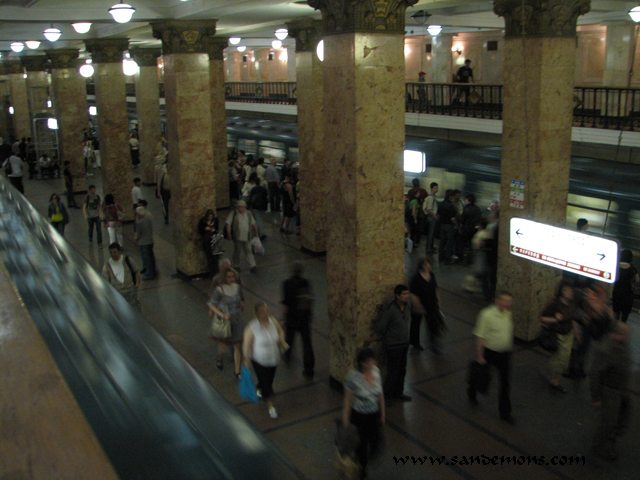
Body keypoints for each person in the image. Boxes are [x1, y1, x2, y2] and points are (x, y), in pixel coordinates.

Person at [467, 291, 515, 424]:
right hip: (489, 352)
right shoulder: (486, 314)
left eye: (509, 301)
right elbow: (480, 335)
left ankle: (505, 413)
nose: (506, 304)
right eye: (504, 300)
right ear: (497, 301)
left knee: (505, 383)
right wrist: (480, 356)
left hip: (504, 354)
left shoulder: (508, 313)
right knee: (482, 376)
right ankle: (472, 390)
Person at [589, 322, 632, 461]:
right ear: (615, 334)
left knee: (622, 416)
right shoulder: (605, 350)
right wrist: (596, 397)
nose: (627, 337)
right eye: (625, 334)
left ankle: (611, 437)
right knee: (608, 421)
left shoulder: (622, 344)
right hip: (609, 390)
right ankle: (600, 446)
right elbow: (594, 373)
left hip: (620, 389)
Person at [342, 348, 385, 478]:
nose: (371, 364)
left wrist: (383, 413)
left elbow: (380, 394)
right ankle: (362, 468)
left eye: (372, 361)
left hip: (373, 415)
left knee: (376, 441)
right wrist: (345, 419)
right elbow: (348, 400)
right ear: (361, 363)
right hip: (359, 417)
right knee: (361, 444)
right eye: (368, 362)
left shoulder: (376, 372)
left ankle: (365, 458)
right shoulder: (353, 378)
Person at [243, 303, 286, 419]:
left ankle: (260, 388)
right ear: (257, 314)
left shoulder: (273, 322)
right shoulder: (252, 327)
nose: (265, 314)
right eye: (262, 312)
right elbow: (246, 345)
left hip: (273, 359)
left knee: (268, 381)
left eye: (266, 311)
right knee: (266, 384)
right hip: (259, 361)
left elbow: (280, 332)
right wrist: (246, 359)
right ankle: (270, 406)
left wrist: (281, 339)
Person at [540, 282, 580, 393]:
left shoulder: (572, 304)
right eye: (567, 290)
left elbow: (572, 319)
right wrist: (555, 319)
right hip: (558, 335)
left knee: (563, 358)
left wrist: (576, 332)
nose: (569, 293)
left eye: (571, 291)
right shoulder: (555, 304)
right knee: (562, 359)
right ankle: (555, 380)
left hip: (568, 334)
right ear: (561, 291)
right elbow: (542, 318)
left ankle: (551, 373)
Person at [375, 284, 412, 402]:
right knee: (393, 371)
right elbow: (381, 327)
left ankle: (399, 392)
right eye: (404, 294)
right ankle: (387, 395)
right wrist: (391, 336)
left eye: (407, 293)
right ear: (397, 296)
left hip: (404, 343)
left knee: (402, 370)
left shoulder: (406, 307)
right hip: (393, 346)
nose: (407, 296)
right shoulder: (391, 310)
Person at [208, 266, 245, 378]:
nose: (231, 279)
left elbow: (241, 299)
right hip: (226, 321)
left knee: (237, 346)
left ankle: (237, 371)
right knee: (223, 346)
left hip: (237, 320)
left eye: (233, 276)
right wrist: (222, 314)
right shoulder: (220, 290)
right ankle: (219, 358)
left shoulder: (237, 288)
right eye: (229, 277)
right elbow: (211, 304)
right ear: (224, 277)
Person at [282, 262, 315, 379]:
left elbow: (286, 303)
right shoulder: (305, 282)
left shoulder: (287, 283)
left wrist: (282, 319)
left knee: (289, 339)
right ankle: (309, 369)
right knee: (307, 344)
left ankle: (287, 356)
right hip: (304, 317)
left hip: (292, 317)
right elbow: (309, 299)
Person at [409, 258, 443, 354]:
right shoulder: (416, 278)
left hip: (431, 304)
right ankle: (415, 342)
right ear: (422, 266)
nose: (429, 267)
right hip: (419, 305)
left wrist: (438, 301)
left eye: (429, 265)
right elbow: (413, 295)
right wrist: (418, 307)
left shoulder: (431, 275)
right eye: (426, 265)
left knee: (433, 325)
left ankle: (434, 344)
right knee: (416, 324)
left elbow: (435, 289)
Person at [102, 242, 141, 309]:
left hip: (130, 291)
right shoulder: (107, 265)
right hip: (117, 293)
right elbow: (105, 280)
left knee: (134, 310)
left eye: (114, 252)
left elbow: (137, 271)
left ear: (119, 251)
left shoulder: (127, 260)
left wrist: (136, 285)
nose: (112, 254)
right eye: (111, 252)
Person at [226, 200, 259, 273]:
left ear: (244, 207)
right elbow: (228, 223)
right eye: (239, 207)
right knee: (237, 251)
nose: (240, 208)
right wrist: (229, 233)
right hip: (237, 237)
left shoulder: (248, 214)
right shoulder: (234, 213)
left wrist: (256, 231)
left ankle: (252, 265)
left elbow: (253, 223)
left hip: (247, 236)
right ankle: (236, 265)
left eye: (241, 207)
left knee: (248, 251)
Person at [611, 249, 638, 323]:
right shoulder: (632, 269)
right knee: (625, 314)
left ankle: (615, 327)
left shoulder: (616, 267)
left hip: (617, 291)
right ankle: (623, 325)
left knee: (616, 312)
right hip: (628, 293)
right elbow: (638, 280)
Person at [134, 200, 157, 281]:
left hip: (143, 242)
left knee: (146, 258)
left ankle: (149, 274)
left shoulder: (140, 221)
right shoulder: (149, 215)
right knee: (151, 257)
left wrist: (136, 239)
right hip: (150, 240)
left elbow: (139, 233)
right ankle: (154, 271)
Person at [436, 189, 458, 264]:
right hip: (449, 226)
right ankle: (447, 258)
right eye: (453, 196)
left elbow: (438, 215)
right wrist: (456, 225)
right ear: (451, 196)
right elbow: (453, 218)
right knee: (449, 243)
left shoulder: (441, 203)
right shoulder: (451, 206)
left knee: (442, 241)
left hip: (442, 225)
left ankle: (440, 257)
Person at [198, 209, 221, 276]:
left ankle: (216, 270)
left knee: (216, 257)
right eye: (209, 217)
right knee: (210, 257)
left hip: (214, 240)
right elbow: (200, 230)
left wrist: (214, 230)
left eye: (211, 217)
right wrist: (205, 229)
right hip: (207, 240)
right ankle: (212, 272)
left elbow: (217, 230)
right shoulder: (203, 221)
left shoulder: (216, 220)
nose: (210, 218)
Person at [422, 182, 439, 254]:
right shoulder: (431, 198)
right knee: (431, 233)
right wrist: (435, 216)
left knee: (431, 233)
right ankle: (429, 249)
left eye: (437, 187)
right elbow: (429, 209)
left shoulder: (431, 197)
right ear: (431, 188)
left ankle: (430, 247)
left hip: (430, 217)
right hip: (431, 217)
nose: (437, 189)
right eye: (435, 188)